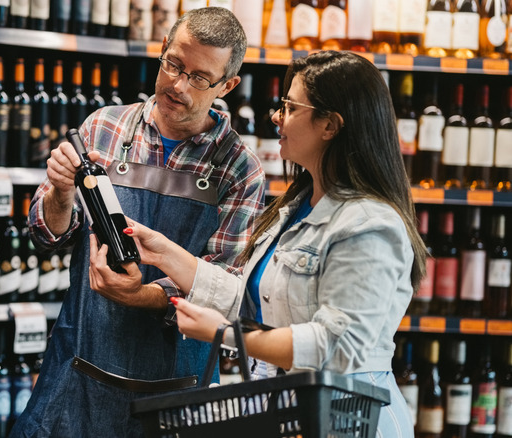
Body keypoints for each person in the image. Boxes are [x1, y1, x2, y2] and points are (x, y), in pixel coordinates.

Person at [90, 51, 428, 438]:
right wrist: (165, 253)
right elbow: (259, 305)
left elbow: (339, 345)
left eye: (289, 106)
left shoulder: (369, 226)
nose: (276, 116)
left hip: (351, 422)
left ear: (329, 126)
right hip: (293, 414)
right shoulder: (297, 208)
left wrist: (227, 334)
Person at [10, 7, 265, 438]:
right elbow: (47, 234)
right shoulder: (102, 128)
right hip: (78, 378)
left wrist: (143, 295)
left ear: (228, 85)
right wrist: (60, 193)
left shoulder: (240, 170)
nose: (178, 85)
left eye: (200, 78)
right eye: (173, 65)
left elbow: (221, 289)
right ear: (162, 50)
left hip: (176, 395)